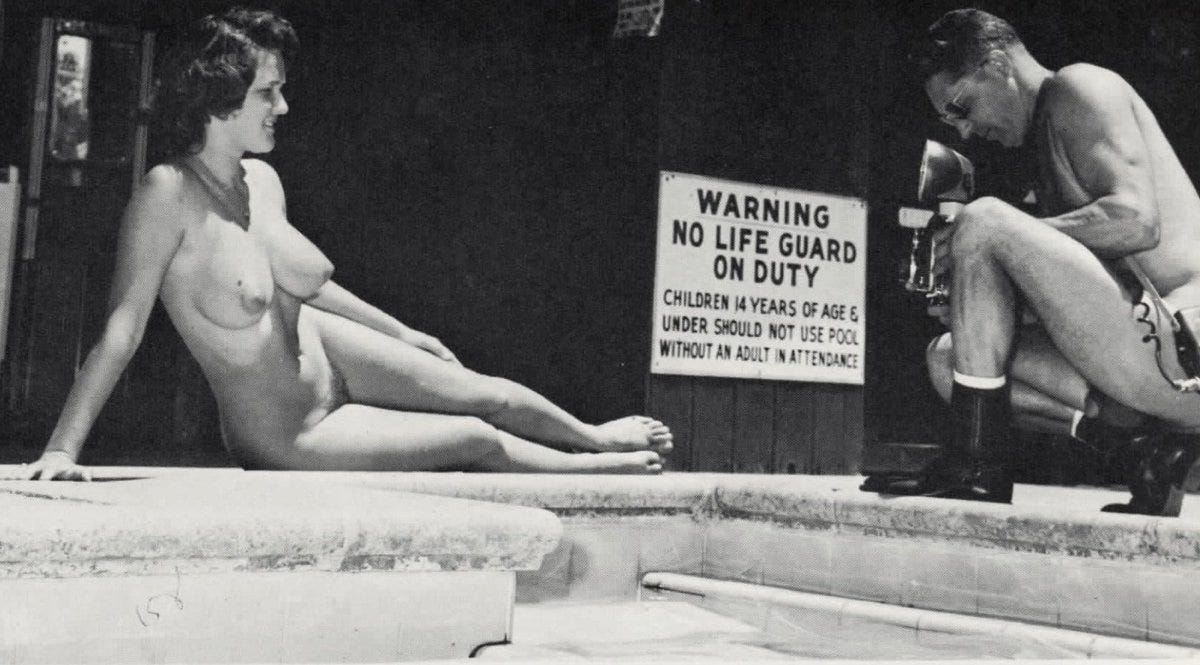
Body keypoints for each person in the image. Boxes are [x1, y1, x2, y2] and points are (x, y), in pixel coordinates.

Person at [16, 7, 672, 481]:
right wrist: (61, 450)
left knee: (484, 391)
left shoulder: (260, 180)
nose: (283, 106)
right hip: (291, 431)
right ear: (220, 99)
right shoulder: (167, 194)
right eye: (268, 92)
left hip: (326, 348)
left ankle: (592, 436)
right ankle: (597, 470)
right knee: (476, 437)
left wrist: (404, 333)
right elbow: (122, 331)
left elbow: (314, 288)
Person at [862, 8, 1200, 515]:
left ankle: (977, 467)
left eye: (961, 107)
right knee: (949, 358)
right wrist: (982, 306)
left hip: (1186, 345)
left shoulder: (1080, 87)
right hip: (1147, 363)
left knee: (985, 219)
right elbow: (1102, 288)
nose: (966, 131)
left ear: (998, 64)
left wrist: (995, 237)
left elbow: (1136, 222)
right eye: (951, 121)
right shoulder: (1044, 141)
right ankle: (1140, 452)